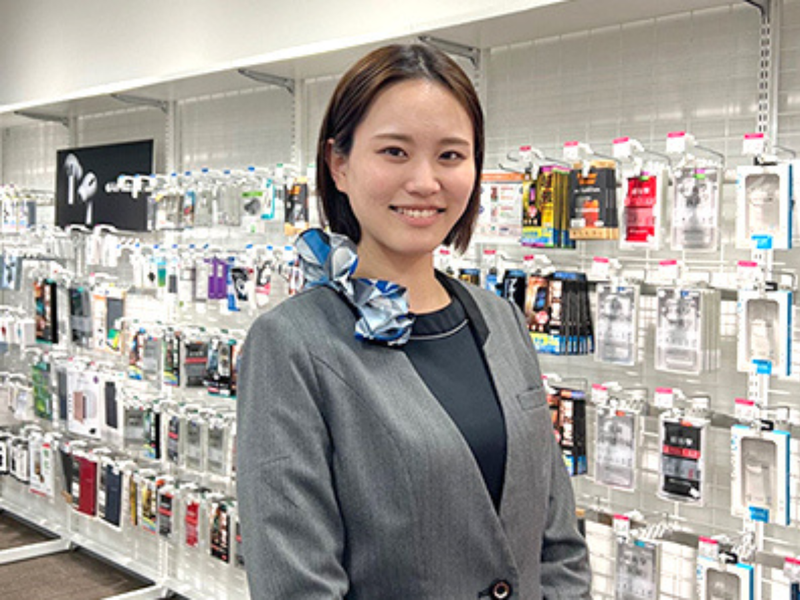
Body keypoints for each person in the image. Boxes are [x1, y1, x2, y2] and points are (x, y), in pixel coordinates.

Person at [237, 43, 592, 599]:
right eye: (395, 152)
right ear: (339, 164)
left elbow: (557, 538)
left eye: (450, 155)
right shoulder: (292, 343)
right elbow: (296, 582)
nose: (425, 181)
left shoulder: (501, 320)